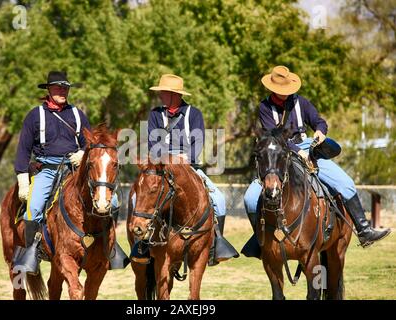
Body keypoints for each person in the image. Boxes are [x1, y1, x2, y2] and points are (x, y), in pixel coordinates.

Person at [242, 65, 391, 258]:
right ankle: (261, 241)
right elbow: (274, 137)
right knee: (250, 198)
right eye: (279, 91)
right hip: (277, 154)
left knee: (346, 183)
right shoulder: (264, 107)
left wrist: (320, 132)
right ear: (271, 89)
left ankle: (364, 230)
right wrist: (295, 151)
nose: (283, 95)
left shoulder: (301, 102)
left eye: (285, 91)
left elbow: (319, 121)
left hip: (307, 148)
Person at [13, 71, 120, 273]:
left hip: (75, 169)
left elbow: (91, 143)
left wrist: (82, 153)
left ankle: (111, 249)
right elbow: (23, 150)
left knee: (112, 202)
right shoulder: (35, 116)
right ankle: (31, 254)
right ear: (49, 89)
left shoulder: (78, 115)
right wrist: (23, 180)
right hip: (47, 169)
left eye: (65, 87)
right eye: (58, 87)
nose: (62, 91)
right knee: (33, 209)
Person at [131, 74, 239, 265]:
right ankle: (142, 245)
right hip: (160, 164)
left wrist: (185, 159)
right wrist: (168, 158)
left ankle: (216, 244)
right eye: (161, 92)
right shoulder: (155, 114)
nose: (161, 95)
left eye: (164, 92)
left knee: (219, 200)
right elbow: (152, 143)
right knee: (135, 198)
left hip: (188, 165)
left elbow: (198, 142)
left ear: (175, 95)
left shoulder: (193, 113)